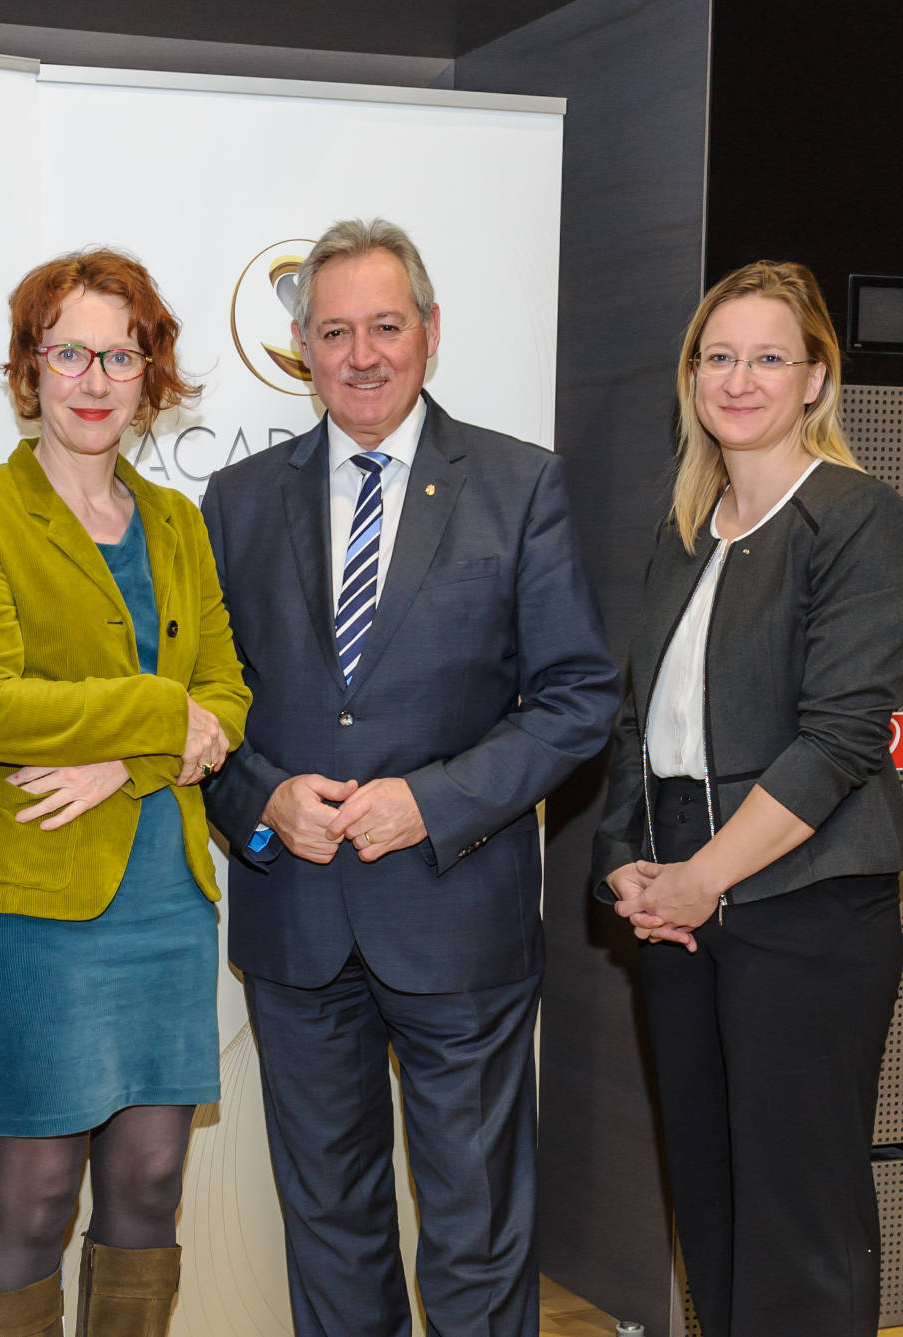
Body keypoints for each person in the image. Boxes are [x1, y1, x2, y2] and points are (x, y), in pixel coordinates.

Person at [200, 217, 619, 1336]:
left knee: (477, 1238)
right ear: (302, 347)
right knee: (330, 1234)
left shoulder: (519, 485)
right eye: (335, 331)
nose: (362, 354)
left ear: (430, 331)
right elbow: (205, 706)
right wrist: (262, 800)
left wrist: (430, 803)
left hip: (459, 924)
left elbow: (579, 696)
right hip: (298, 927)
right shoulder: (236, 501)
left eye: (386, 326)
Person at [0, 248, 250, 1337]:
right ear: (31, 366)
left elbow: (227, 697)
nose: (95, 379)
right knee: (33, 1194)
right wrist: (159, 714)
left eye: (122, 354)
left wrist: (129, 760)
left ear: (151, 372)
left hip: (165, 897)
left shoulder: (178, 523)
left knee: (150, 1185)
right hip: (33, 909)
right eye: (70, 352)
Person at [594, 261, 903, 1336]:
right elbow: (638, 720)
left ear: (815, 377)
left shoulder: (857, 518)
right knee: (712, 1197)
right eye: (718, 356)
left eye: (769, 357)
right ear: (693, 376)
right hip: (682, 890)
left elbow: (842, 737)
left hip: (805, 896)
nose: (739, 378)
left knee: (798, 1214)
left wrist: (704, 877)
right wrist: (627, 862)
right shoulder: (686, 530)